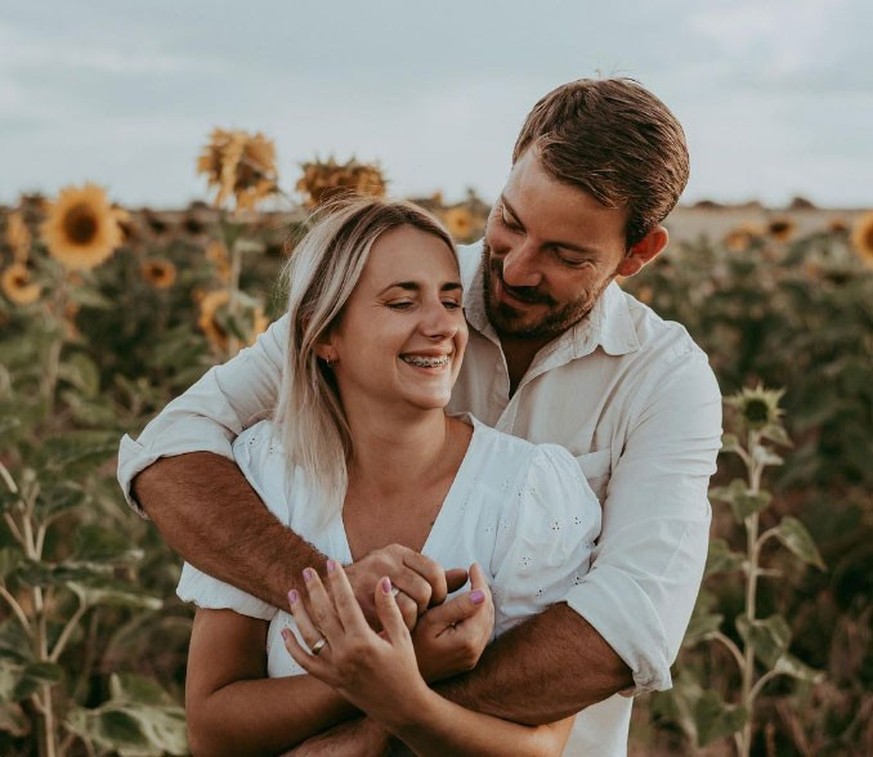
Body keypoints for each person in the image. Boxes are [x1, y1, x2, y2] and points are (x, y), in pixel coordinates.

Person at [118, 77, 723, 755]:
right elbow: (169, 451)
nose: (516, 268)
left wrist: (372, 731)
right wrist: (325, 592)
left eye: (564, 254)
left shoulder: (664, 380)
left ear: (638, 254)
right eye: (511, 221)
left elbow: (622, 629)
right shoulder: (381, 289)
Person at [177, 197, 600, 754]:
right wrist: (403, 666)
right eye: (403, 302)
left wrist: (397, 699)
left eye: (451, 301)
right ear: (324, 335)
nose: (441, 326)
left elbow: (542, 746)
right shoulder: (263, 473)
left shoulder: (531, 489)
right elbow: (213, 728)